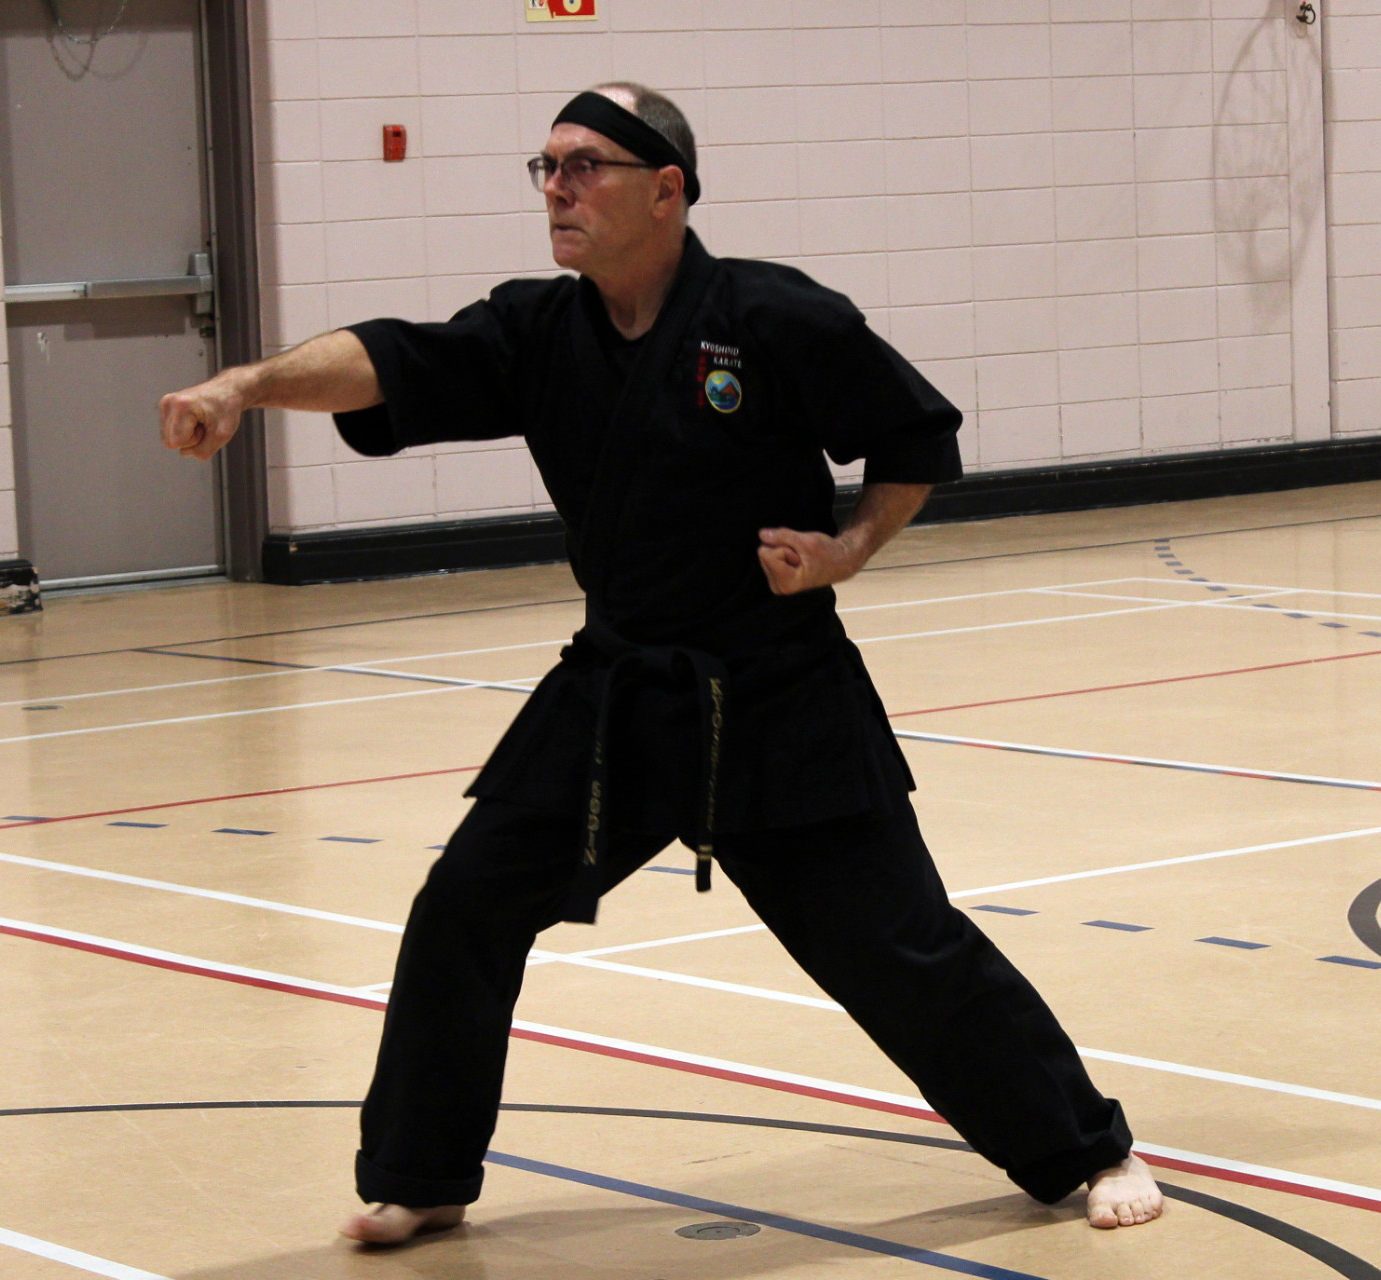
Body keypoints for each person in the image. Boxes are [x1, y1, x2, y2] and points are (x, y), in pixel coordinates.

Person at [159, 81, 1162, 1246]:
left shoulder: (775, 316)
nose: (557, 189)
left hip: (775, 689)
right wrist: (245, 385)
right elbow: (389, 360)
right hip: (619, 691)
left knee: (895, 947)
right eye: (545, 167)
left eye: (585, 165)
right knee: (466, 905)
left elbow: (914, 439)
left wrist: (845, 550)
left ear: (667, 190)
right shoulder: (540, 330)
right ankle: (423, 1174)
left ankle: (1088, 1146)